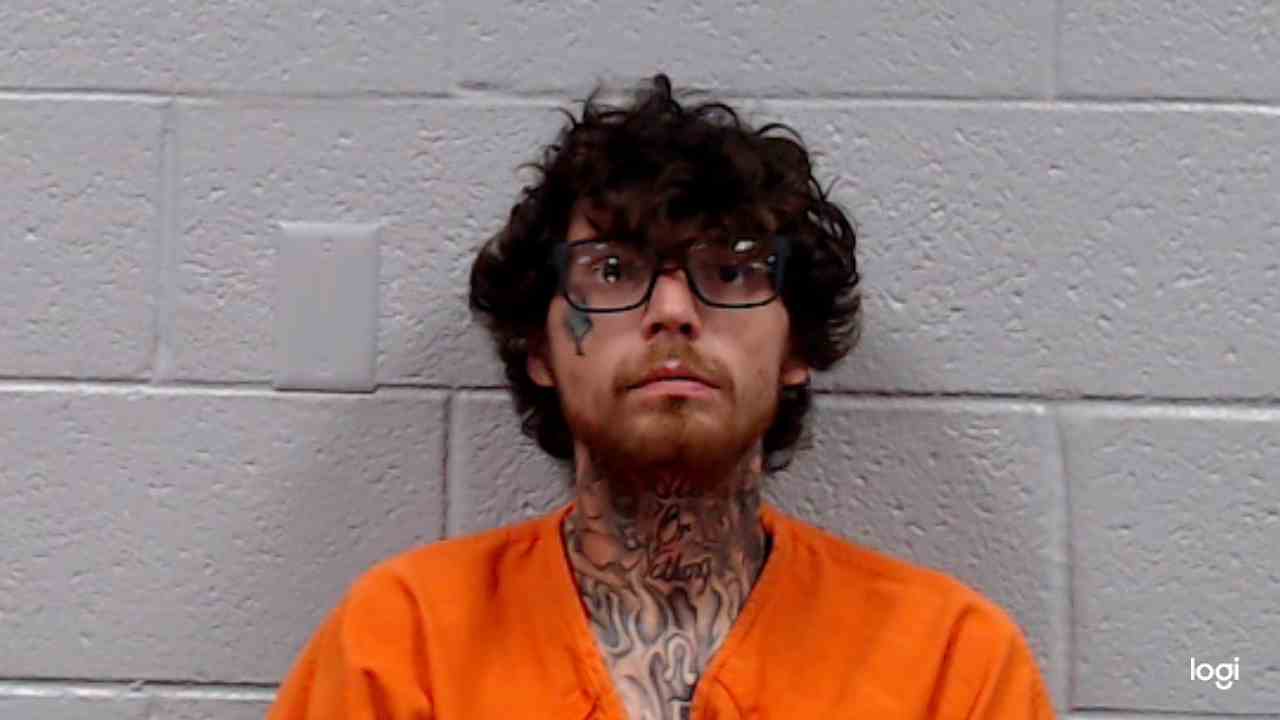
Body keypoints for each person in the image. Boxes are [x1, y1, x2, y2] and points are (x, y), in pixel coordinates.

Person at [266, 73, 1057, 719]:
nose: (673, 311)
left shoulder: (950, 665)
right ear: (540, 347)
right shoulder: (402, 647)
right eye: (613, 271)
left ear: (795, 347)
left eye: (731, 270)